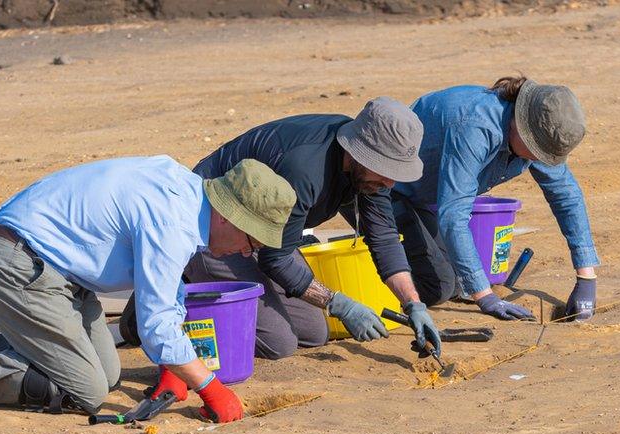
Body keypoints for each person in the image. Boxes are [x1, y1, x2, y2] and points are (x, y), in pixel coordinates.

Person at [0, 157, 296, 423]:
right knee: (85, 390)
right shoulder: (174, 222)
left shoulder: (184, 193)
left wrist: (176, 368)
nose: (248, 251)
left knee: (108, 374)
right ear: (229, 216)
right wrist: (209, 385)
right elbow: (157, 325)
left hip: (56, 275)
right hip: (11, 263)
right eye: (252, 240)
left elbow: (165, 288)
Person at [120, 97, 443, 360]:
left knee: (313, 333)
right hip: (217, 230)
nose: (390, 181)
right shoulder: (305, 170)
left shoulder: (369, 174)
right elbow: (276, 258)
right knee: (278, 342)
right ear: (359, 151)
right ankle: (162, 306)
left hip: (266, 237)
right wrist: (339, 303)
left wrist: (413, 304)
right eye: (385, 171)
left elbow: (383, 236)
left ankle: (186, 280)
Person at [391, 76, 600, 321]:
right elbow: (454, 215)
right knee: (440, 286)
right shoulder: (475, 128)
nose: (539, 158)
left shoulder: (538, 131)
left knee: (457, 279)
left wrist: (587, 277)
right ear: (521, 127)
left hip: (423, 198)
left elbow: (565, 195)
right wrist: (486, 297)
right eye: (537, 150)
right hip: (382, 189)